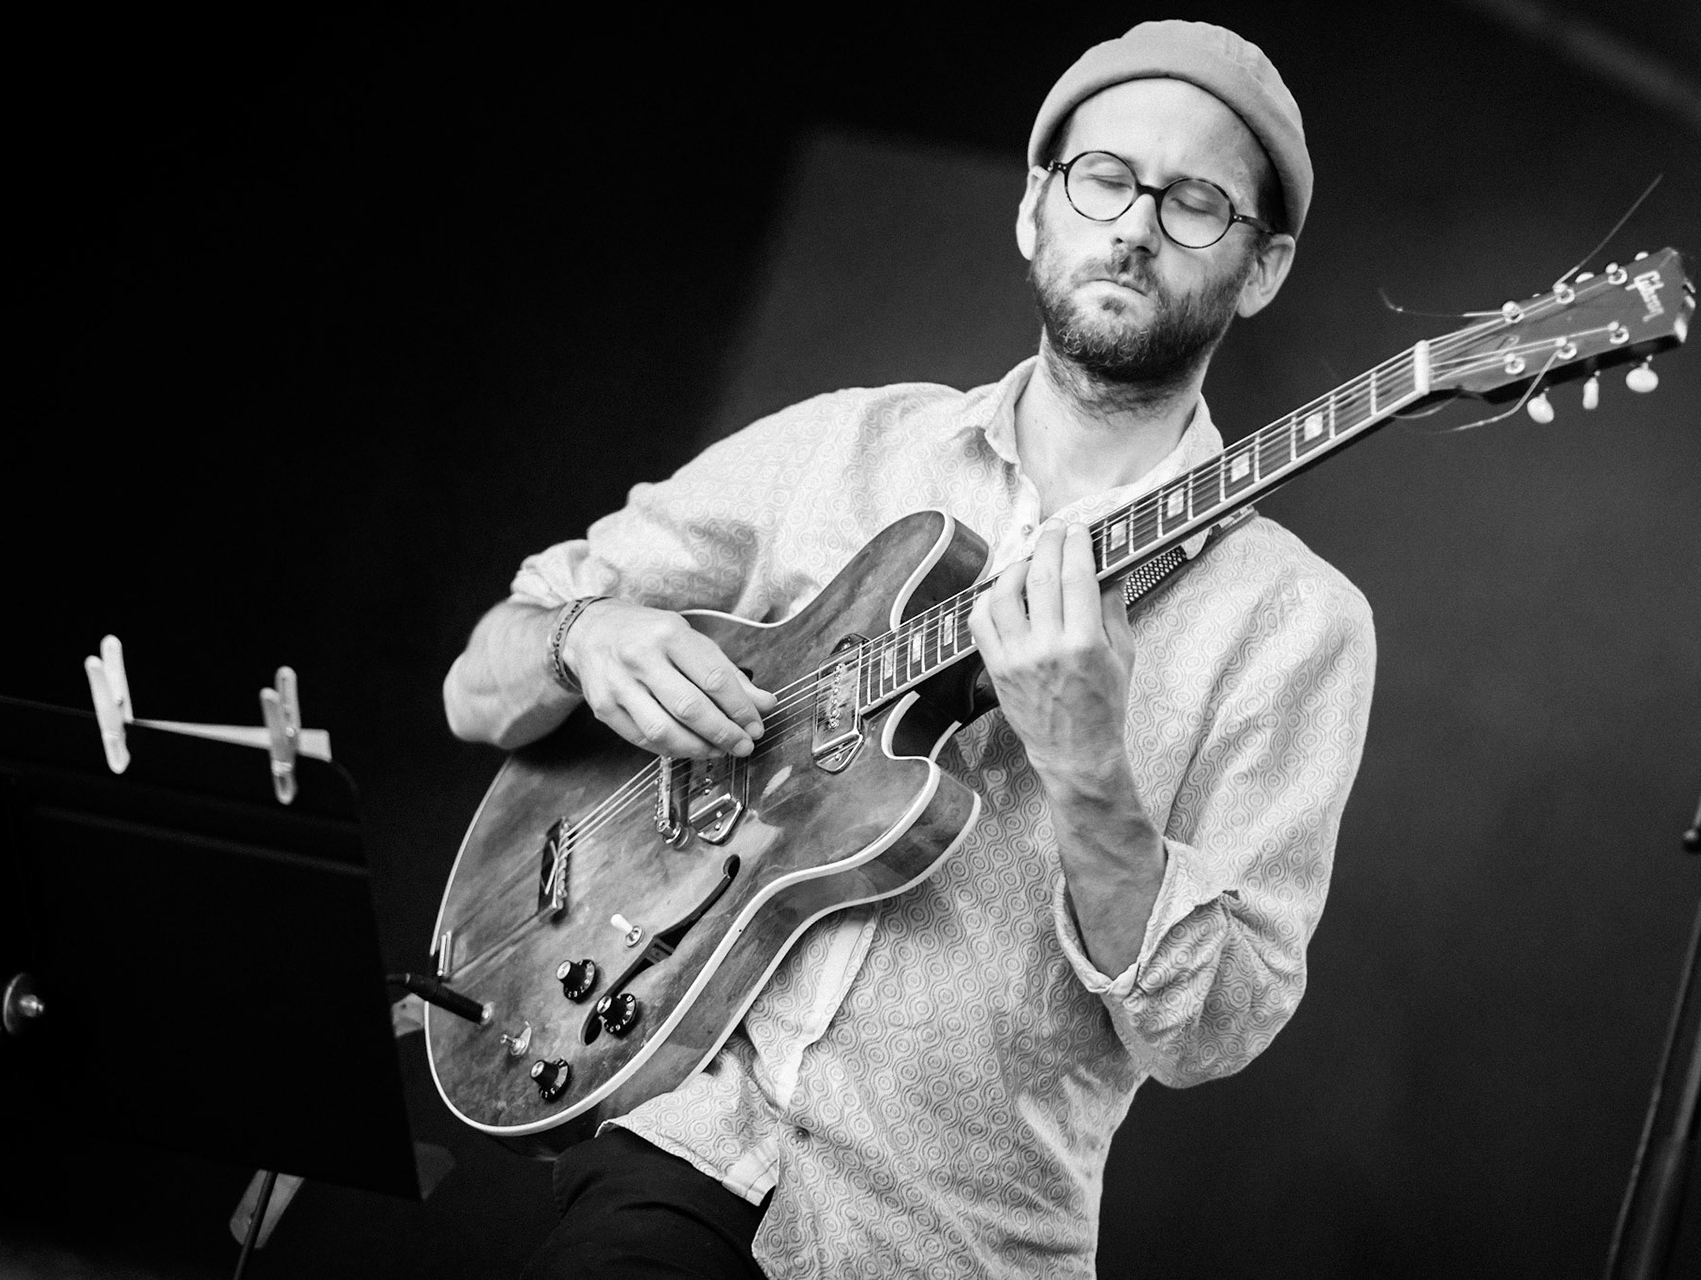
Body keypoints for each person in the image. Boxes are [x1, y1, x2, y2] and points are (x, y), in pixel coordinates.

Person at [445, 19, 1375, 1279]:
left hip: (955, 1240)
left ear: (1261, 268)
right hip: (682, 1151)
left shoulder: (1294, 623)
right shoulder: (841, 447)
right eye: (1105, 177)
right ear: (1036, 208)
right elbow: (478, 686)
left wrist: (1092, 770)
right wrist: (579, 636)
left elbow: (1213, 1029)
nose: (1137, 224)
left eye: (1197, 201)